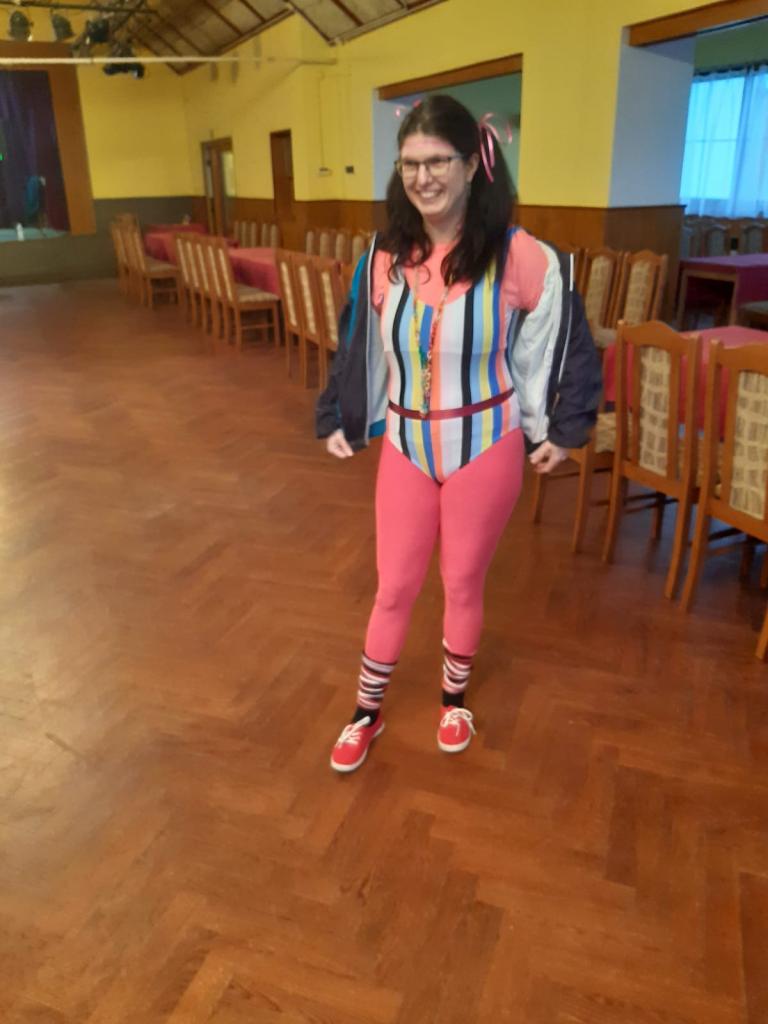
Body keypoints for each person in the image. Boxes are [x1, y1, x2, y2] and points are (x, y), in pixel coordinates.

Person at [316, 95, 601, 773]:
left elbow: (568, 336)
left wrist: (565, 426)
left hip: (487, 445)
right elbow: (356, 339)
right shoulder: (384, 256)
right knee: (393, 587)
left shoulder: (518, 254)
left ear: (473, 165)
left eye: (438, 161)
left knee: (464, 583)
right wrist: (337, 413)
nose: (424, 177)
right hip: (406, 447)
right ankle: (365, 713)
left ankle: (453, 701)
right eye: (410, 164)